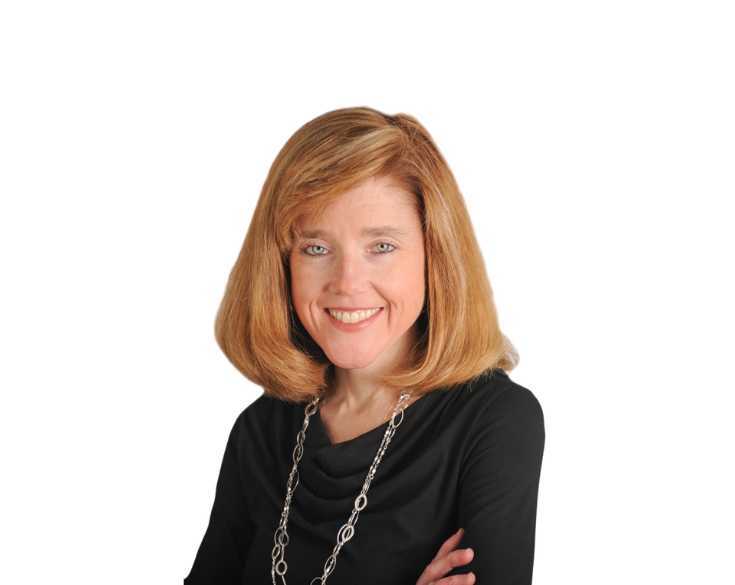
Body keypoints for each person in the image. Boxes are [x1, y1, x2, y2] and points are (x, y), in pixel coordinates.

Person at [183, 106, 545, 585]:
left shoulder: (495, 422)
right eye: (316, 248)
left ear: (434, 255)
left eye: (381, 247)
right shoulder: (261, 430)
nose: (347, 284)